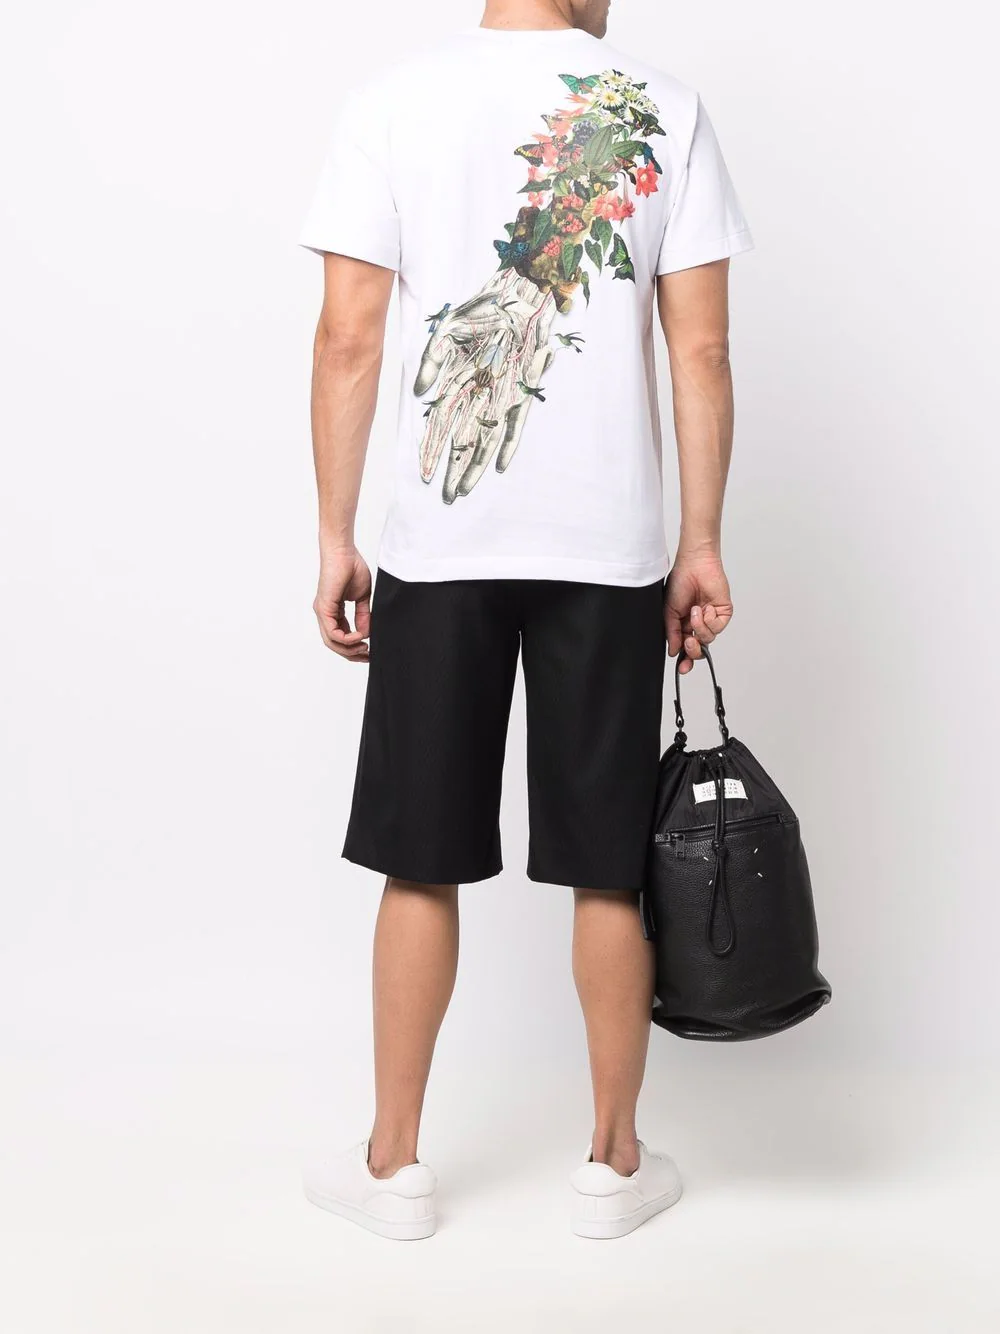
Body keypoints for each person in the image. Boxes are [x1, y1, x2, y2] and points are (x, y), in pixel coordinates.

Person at [298, 0, 752, 1240]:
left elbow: (347, 336)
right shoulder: (663, 107)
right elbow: (701, 351)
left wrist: (336, 532)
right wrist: (699, 541)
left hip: (439, 546)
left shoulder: (391, 101)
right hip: (607, 550)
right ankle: (612, 1163)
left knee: (420, 854)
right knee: (607, 864)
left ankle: (393, 1164)